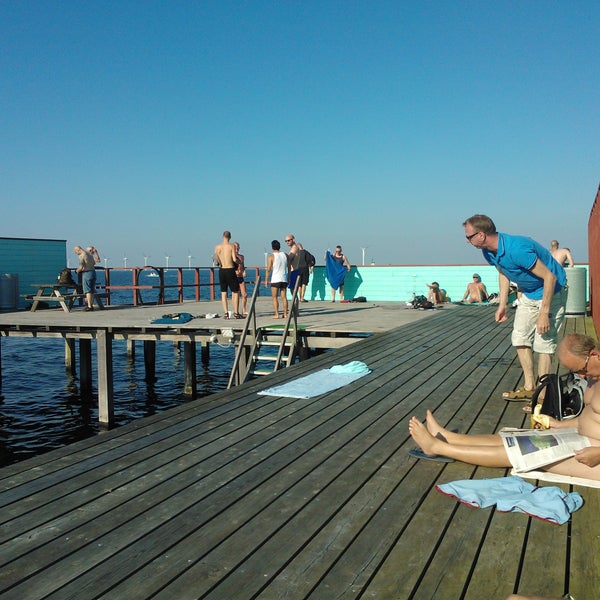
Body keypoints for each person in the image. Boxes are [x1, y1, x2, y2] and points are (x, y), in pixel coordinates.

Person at [409, 334, 600, 480]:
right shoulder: (594, 375)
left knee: (523, 452)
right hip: (583, 438)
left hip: (595, 453)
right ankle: (450, 438)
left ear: (594, 355)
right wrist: (559, 425)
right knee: (518, 439)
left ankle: (437, 447)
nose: (581, 376)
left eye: (581, 370)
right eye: (575, 372)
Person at [463, 215, 567, 401]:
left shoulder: (516, 249)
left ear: (481, 235)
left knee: (544, 343)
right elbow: (503, 274)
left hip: (552, 292)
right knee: (520, 338)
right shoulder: (488, 251)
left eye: (469, 236)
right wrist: (502, 304)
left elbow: (550, 277)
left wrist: (544, 312)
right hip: (528, 293)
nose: (467, 240)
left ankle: (543, 395)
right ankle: (529, 386)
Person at [214, 230, 242, 319]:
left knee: (223, 293)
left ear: (223, 237)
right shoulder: (231, 246)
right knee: (235, 291)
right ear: (230, 237)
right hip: (230, 269)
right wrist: (239, 262)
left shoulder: (217, 247)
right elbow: (234, 259)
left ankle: (226, 313)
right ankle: (236, 313)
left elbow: (216, 259)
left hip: (221, 270)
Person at [265, 240, 288, 318]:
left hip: (275, 279)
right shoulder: (285, 254)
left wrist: (266, 279)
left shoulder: (271, 256)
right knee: (284, 297)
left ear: (272, 247)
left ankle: (277, 314)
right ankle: (285, 314)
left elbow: (268, 269)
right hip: (284, 278)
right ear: (279, 246)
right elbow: (289, 263)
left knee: (274, 297)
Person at [74, 245, 100, 311]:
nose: (76, 254)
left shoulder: (82, 255)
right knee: (92, 290)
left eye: (76, 252)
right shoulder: (90, 254)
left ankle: (89, 306)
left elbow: (81, 267)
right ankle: (91, 305)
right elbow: (95, 262)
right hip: (93, 272)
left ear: (78, 250)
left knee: (87, 290)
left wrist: (76, 271)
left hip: (87, 273)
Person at [233, 241, 248, 316]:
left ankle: (244, 309)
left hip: (241, 277)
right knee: (236, 295)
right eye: (236, 246)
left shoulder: (241, 256)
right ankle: (236, 311)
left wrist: (244, 271)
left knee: (244, 294)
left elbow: (242, 265)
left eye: (238, 246)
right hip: (234, 277)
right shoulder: (231, 256)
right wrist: (234, 272)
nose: (237, 248)